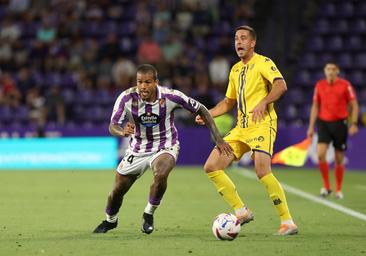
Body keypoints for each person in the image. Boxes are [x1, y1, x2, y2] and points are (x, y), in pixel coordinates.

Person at [93, 64, 232, 234]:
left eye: (147, 82)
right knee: (116, 192)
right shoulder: (126, 98)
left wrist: (218, 138)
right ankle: (110, 221)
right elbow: (112, 125)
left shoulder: (170, 96)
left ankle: (149, 213)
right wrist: (122, 131)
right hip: (137, 149)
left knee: (160, 173)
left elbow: (201, 109)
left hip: (165, 145)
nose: (143, 86)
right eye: (139, 82)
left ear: (156, 82)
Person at [196, 25, 298, 235]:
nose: (239, 42)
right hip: (241, 128)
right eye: (236, 39)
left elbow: (281, 86)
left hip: (262, 124)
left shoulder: (264, 62)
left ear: (252, 43)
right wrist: (207, 114)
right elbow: (227, 102)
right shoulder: (235, 69)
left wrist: (264, 102)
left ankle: (287, 222)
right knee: (212, 166)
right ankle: (241, 211)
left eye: (243, 38)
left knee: (262, 170)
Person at [307, 62, 359, 199]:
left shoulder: (345, 85)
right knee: (320, 154)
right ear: (325, 71)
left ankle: (338, 189)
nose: (330, 71)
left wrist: (353, 123)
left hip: (340, 123)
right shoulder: (319, 85)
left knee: (339, 158)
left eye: (333, 69)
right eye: (328, 69)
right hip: (323, 122)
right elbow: (315, 106)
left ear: (338, 71)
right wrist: (311, 126)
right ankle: (326, 186)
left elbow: (354, 105)